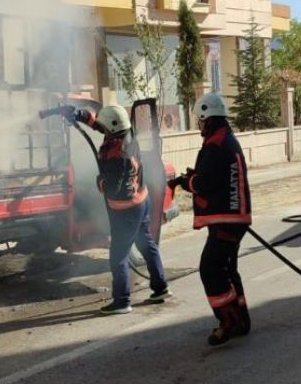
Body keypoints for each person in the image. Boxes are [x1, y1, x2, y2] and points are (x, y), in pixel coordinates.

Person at [170, 93, 252, 346]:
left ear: (207, 118)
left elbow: (205, 183)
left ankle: (228, 321)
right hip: (234, 217)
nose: (198, 124)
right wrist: (196, 176)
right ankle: (241, 319)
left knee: (210, 269)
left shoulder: (216, 145)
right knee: (228, 269)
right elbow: (216, 175)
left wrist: (187, 182)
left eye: (200, 119)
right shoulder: (225, 139)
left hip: (226, 219)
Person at [72, 105, 171, 315]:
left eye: (105, 127)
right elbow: (102, 125)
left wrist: (101, 182)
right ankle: (160, 288)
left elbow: (115, 188)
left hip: (127, 209)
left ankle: (122, 301)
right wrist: (81, 115)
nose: (103, 129)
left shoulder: (119, 154)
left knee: (118, 255)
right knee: (146, 244)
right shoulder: (125, 135)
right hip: (141, 202)